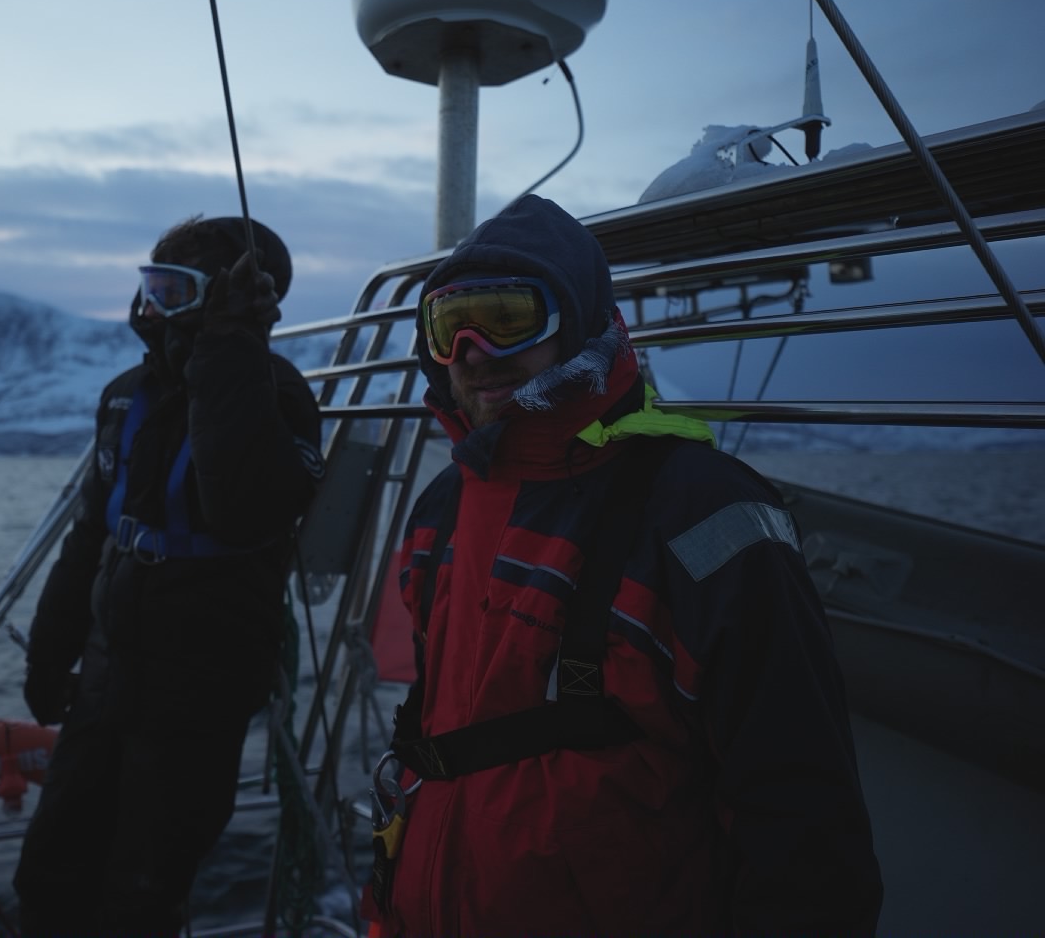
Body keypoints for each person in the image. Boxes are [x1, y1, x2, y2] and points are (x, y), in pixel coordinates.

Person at [364, 194, 883, 936]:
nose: (474, 351)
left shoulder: (702, 514)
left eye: (508, 318)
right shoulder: (441, 508)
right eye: (450, 327)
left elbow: (802, 825)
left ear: (577, 324)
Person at [13, 215, 323, 937]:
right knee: (49, 873)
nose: (151, 306)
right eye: (150, 284)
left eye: (174, 290)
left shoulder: (275, 395)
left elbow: (242, 508)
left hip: (196, 692)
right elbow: (91, 535)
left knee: (141, 895)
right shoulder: (128, 397)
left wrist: (228, 352)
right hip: (106, 677)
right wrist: (50, 656)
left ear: (225, 296)